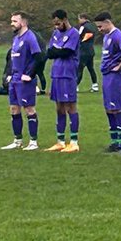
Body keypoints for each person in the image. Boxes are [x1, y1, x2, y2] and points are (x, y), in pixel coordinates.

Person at [1, 11, 42, 151]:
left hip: (25, 81)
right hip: (15, 79)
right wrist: (9, 74)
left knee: (29, 109)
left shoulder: (30, 37)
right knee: (14, 108)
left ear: (23, 22)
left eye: (15, 21)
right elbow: (13, 58)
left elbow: (38, 57)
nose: (12, 24)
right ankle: (17, 140)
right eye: (11, 21)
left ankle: (33, 142)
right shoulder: (16, 38)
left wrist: (30, 74)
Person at [44, 9, 81, 152]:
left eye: (58, 23)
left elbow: (67, 52)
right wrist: (58, 51)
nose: (57, 26)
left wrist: (57, 51)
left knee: (70, 107)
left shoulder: (74, 33)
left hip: (68, 73)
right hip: (56, 74)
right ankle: (60, 141)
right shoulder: (55, 33)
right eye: (55, 24)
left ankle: (74, 142)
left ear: (65, 20)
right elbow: (50, 53)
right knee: (59, 107)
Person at [95, 12, 121, 152]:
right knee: (109, 109)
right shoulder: (107, 36)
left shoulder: (117, 35)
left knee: (116, 109)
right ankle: (114, 141)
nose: (99, 29)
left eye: (100, 26)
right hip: (106, 76)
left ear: (107, 22)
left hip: (115, 77)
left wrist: (119, 66)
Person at [76, 13, 99, 90]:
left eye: (79, 19)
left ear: (84, 18)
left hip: (83, 51)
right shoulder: (93, 26)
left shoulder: (83, 27)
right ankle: (95, 85)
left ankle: (75, 85)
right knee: (91, 68)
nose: (79, 21)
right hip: (91, 50)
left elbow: (78, 37)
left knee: (79, 68)